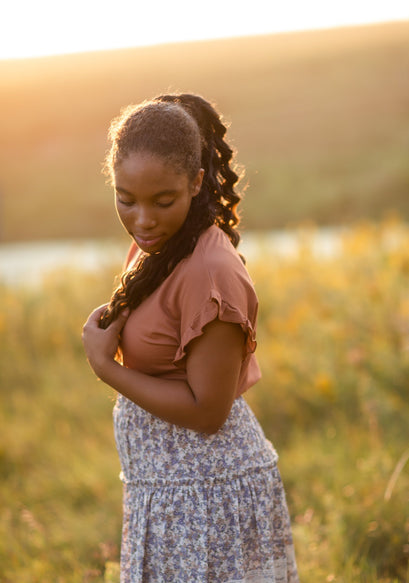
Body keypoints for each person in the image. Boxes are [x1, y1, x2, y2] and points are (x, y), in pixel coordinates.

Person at [82, 93, 299, 583]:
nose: (142, 220)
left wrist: (106, 368)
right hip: (165, 491)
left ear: (196, 182)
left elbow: (208, 411)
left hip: (209, 497)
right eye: (126, 199)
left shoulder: (212, 272)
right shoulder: (158, 247)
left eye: (162, 201)